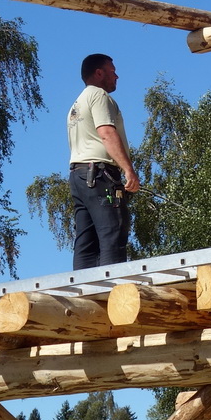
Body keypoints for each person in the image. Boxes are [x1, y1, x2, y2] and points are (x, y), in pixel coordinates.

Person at [67, 53, 141, 269]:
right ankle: (113, 293)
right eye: (112, 71)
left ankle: (83, 294)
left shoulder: (76, 105)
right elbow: (106, 133)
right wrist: (129, 171)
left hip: (79, 176)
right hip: (100, 175)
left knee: (86, 240)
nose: (116, 76)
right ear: (99, 73)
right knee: (112, 231)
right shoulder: (99, 96)